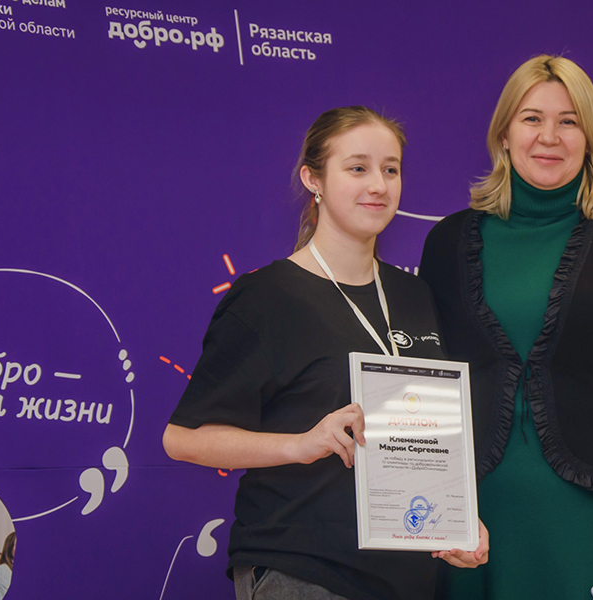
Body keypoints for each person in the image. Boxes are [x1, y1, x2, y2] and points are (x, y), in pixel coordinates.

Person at [163, 106, 487, 600]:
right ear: (313, 179)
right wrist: (299, 444)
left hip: (405, 578)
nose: (378, 185)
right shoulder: (267, 296)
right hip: (305, 570)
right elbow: (183, 438)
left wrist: (456, 519)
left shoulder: (414, 295)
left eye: (391, 169)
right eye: (357, 168)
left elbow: (425, 436)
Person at [419, 55, 593, 600]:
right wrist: (439, 508)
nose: (549, 136)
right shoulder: (447, 242)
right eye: (532, 119)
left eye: (569, 121)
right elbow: (427, 393)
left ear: (590, 140)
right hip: (476, 534)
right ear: (504, 134)